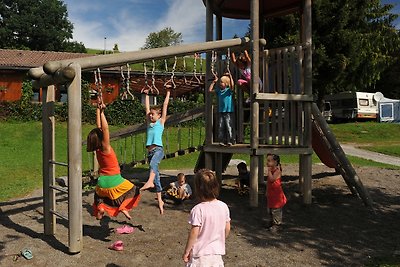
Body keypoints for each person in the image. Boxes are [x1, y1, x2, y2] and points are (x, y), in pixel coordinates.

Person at [87, 102, 140, 220]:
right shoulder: (106, 148)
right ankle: (123, 207)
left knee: (100, 196)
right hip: (114, 180)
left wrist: (98, 110)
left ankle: (100, 207)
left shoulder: (98, 150)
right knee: (134, 190)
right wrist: (101, 112)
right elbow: (105, 128)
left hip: (101, 183)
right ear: (102, 138)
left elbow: (99, 128)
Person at [183, 169, 231, 266]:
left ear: (198, 189)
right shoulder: (223, 206)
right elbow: (227, 228)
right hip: (216, 255)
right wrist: (220, 240)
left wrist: (187, 251)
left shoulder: (198, 210)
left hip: (200, 256)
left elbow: (194, 233)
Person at [140, 88, 171, 215]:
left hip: (158, 150)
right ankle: (160, 201)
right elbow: (147, 109)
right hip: (150, 152)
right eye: (150, 114)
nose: (151, 115)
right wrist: (146, 95)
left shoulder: (161, 122)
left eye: (153, 114)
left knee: (153, 165)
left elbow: (165, 105)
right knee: (157, 177)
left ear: (158, 116)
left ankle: (149, 182)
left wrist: (168, 92)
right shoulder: (149, 124)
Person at [209, 72, 235, 146]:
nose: (220, 83)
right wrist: (214, 82)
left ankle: (230, 140)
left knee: (229, 126)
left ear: (226, 83)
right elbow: (210, 91)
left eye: (222, 82)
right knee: (221, 126)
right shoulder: (218, 91)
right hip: (221, 111)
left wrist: (230, 76)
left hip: (228, 111)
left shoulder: (228, 91)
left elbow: (232, 85)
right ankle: (222, 141)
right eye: (220, 82)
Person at [265, 154, 287, 232]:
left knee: (276, 210)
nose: (267, 163)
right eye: (267, 160)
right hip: (271, 194)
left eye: (269, 161)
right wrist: (267, 191)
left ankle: (277, 225)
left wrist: (269, 171)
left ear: (275, 162)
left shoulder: (277, 171)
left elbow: (271, 179)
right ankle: (271, 222)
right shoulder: (272, 171)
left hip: (277, 196)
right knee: (270, 209)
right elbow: (268, 183)